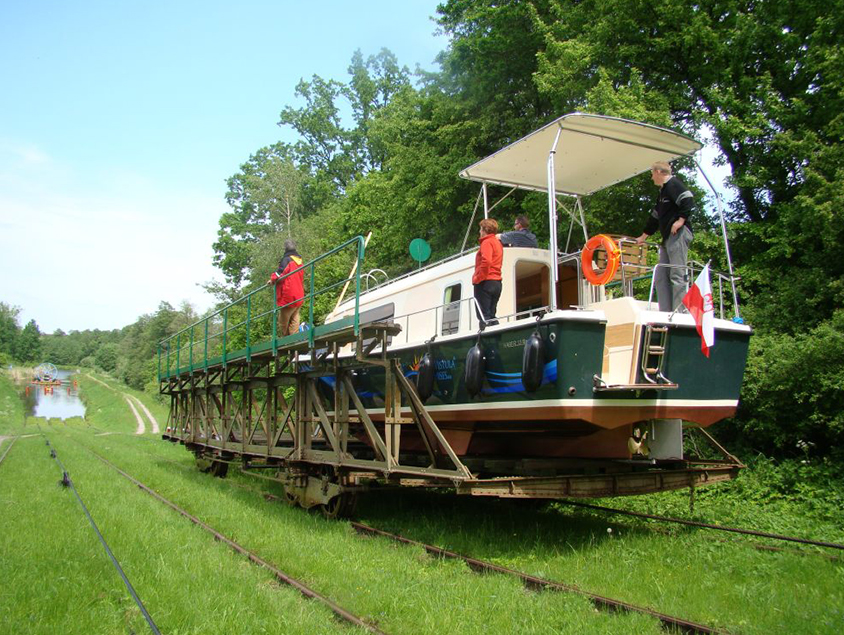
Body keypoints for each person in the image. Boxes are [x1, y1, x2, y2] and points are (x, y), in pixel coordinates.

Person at [636, 161, 694, 312]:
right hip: (667, 237)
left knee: (677, 274)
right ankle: (666, 312)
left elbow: (688, 199)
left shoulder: (673, 184)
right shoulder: (663, 192)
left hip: (678, 234)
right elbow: (655, 216)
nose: (651, 178)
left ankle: (679, 313)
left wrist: (680, 221)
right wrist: (643, 236)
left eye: (652, 174)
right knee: (661, 275)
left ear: (658, 172)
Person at [268, 239, 305, 336]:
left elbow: (279, 273)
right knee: (295, 318)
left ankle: (285, 339)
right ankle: (294, 338)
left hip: (289, 295)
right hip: (299, 293)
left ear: (285, 248)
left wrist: (272, 280)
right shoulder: (299, 261)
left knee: (283, 321)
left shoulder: (287, 260)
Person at [473, 218, 503, 326]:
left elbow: (486, 261)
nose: (479, 231)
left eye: (480, 229)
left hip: (486, 282)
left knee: (483, 315)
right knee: (491, 314)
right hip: (496, 282)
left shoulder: (486, 242)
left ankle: (486, 335)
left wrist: (478, 278)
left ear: (484, 230)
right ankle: (497, 334)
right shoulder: (497, 243)